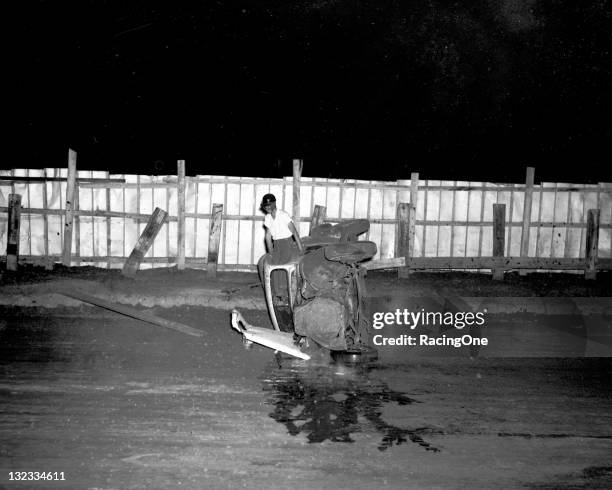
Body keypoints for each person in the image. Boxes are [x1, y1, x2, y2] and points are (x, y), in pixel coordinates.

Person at [257, 193, 305, 302]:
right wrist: (271, 252)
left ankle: (285, 293)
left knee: (283, 265)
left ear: (274, 203)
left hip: (287, 243)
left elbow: (294, 232)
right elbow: (268, 237)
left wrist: (300, 247)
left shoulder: (283, 215)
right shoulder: (268, 218)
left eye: (269, 205)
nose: (268, 208)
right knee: (273, 264)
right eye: (266, 206)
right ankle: (276, 293)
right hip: (277, 244)